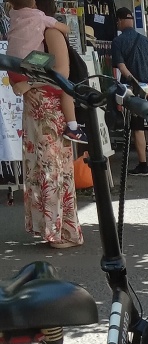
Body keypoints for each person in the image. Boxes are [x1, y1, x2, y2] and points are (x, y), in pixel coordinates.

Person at [12, 3, 82, 246]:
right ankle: (53, 228)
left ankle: (63, 230)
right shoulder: (35, 29)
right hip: (38, 109)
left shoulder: (49, 32)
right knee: (41, 170)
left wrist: (28, 85)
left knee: (52, 170)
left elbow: (62, 72)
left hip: (49, 109)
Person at [7, 0, 83, 141]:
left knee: (35, 155)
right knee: (68, 90)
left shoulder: (15, 18)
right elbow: (62, 74)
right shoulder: (48, 26)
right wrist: (29, 84)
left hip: (16, 73)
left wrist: (23, 86)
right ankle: (73, 127)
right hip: (47, 113)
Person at [111, 7, 148, 176]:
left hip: (133, 91)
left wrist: (136, 85)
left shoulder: (118, 42)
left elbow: (122, 67)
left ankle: (143, 165)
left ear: (120, 21)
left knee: (138, 128)